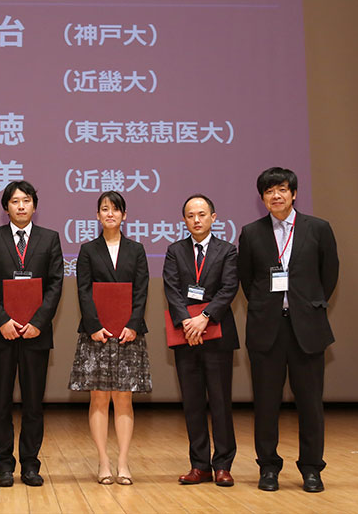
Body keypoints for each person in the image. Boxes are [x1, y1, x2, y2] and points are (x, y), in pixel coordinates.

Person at [238, 167, 339, 493]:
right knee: (266, 404)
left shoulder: (318, 229)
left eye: (282, 189)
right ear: (262, 198)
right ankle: (268, 467)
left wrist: (305, 304)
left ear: (294, 194)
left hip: (306, 329)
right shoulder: (251, 233)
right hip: (267, 329)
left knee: (310, 404)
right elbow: (248, 281)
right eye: (269, 191)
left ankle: (312, 469)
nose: (276, 196)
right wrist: (269, 307)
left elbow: (329, 275)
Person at [0, 180, 63, 487]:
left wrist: (38, 321)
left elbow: (55, 284)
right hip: (0, 334)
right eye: (15, 201)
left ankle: (30, 464)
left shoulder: (49, 238)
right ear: (6, 207)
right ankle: (3, 464)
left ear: (34, 206)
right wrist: (2, 320)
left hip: (36, 334)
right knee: (0, 402)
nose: (21, 206)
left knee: (33, 403)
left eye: (26, 200)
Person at [68, 191, 150, 486]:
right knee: (99, 398)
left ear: (124, 215)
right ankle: (103, 461)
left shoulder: (136, 249)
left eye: (116, 209)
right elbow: (83, 290)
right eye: (105, 209)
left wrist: (133, 325)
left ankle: (123, 462)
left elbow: (141, 290)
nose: (110, 214)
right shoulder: (88, 250)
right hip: (97, 335)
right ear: (97, 215)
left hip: (129, 334)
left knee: (124, 398)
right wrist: (94, 326)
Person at [163, 194, 239, 487]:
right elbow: (171, 288)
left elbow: (229, 287)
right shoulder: (175, 251)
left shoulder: (227, 250)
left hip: (216, 333)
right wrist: (187, 321)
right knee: (193, 403)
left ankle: (223, 465)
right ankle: (199, 465)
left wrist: (204, 317)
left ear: (213, 217)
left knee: (220, 402)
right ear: (184, 220)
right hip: (186, 336)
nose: (196, 220)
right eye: (191, 215)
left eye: (202, 214)